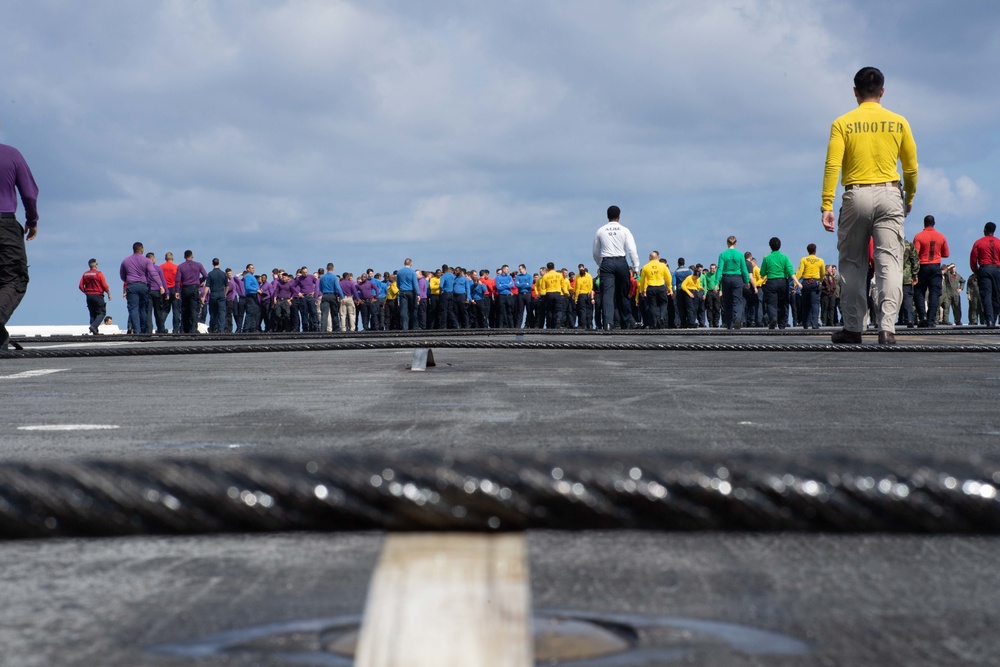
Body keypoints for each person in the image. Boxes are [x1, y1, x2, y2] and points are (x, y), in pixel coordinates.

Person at [822, 66, 918, 346]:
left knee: (852, 263)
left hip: (856, 193)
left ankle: (853, 328)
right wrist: (908, 197)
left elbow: (832, 164)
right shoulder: (898, 122)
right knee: (890, 262)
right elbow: (911, 168)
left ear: (855, 92)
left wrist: (827, 203)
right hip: (890, 193)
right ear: (883, 92)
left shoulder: (843, 123)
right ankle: (887, 328)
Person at [0, 142, 39, 350]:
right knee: (14, 279)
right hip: (4, 223)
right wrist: (32, 221)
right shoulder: (11, 154)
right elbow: (30, 194)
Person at [592, 205, 640, 331]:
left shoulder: (600, 230)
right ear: (619, 216)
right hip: (621, 261)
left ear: (607, 216)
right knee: (623, 293)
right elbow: (632, 250)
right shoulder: (624, 230)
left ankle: (608, 323)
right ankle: (628, 321)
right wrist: (635, 266)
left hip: (607, 262)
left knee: (607, 294)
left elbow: (595, 252)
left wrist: (601, 264)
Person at [913, 215, 949, 328]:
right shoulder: (941, 236)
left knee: (919, 291)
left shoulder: (919, 236)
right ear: (934, 223)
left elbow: (915, 255)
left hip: (922, 267)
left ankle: (922, 317)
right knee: (934, 294)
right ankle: (931, 320)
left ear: (924, 223)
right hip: (935, 267)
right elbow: (946, 254)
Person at [119, 242, 163, 334]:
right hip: (143, 285)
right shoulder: (147, 261)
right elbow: (153, 273)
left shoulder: (126, 261)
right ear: (142, 249)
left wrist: (128, 281)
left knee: (133, 308)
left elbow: (122, 276)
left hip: (132, 285)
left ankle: (137, 330)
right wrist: (160, 285)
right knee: (143, 308)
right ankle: (143, 330)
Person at [714, 236, 753, 329]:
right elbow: (744, 269)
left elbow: (719, 269)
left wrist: (716, 283)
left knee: (727, 302)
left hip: (726, 279)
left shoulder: (723, 255)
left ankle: (729, 324)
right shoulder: (740, 255)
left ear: (727, 243)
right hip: (737, 278)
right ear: (735, 243)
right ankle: (737, 318)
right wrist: (747, 281)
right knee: (738, 301)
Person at [759, 237, 799, 330]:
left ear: (770, 246)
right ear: (780, 246)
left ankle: (773, 317)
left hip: (771, 282)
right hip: (783, 282)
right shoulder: (785, 257)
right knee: (783, 303)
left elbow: (762, 273)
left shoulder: (767, 258)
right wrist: (797, 282)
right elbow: (790, 271)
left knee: (771, 303)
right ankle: (782, 324)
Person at [970, 221, 1000, 327]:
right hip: (997, 269)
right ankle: (994, 318)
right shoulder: (998, 242)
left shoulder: (978, 242)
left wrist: (976, 272)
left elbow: (973, 260)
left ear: (985, 230)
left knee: (986, 295)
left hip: (984, 269)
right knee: (996, 295)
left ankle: (989, 320)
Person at [175, 250, 209, 333]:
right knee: (194, 309)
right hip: (194, 288)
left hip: (185, 289)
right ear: (192, 256)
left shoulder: (180, 266)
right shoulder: (198, 265)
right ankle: (193, 329)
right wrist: (200, 280)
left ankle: (185, 329)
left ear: (184, 257)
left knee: (185, 309)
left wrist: (176, 291)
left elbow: (177, 280)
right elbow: (205, 275)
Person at [795, 244, 826, 329]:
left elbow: (799, 271)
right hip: (815, 282)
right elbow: (823, 273)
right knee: (815, 304)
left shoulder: (804, 260)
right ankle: (815, 323)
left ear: (807, 250)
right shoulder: (820, 261)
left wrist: (796, 283)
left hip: (806, 282)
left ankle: (805, 323)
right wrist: (820, 280)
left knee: (805, 304)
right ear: (815, 250)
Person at [638, 251, 671, 329]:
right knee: (663, 303)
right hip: (661, 287)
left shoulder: (646, 267)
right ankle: (662, 317)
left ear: (650, 258)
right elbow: (668, 277)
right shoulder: (663, 266)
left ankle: (656, 320)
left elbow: (642, 280)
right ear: (658, 257)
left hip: (651, 288)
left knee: (653, 305)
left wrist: (642, 290)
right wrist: (669, 287)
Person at [79, 258, 111, 335]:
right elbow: (104, 285)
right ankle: (93, 326)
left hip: (89, 296)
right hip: (98, 295)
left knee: (92, 313)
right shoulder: (99, 274)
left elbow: (80, 286)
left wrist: (86, 292)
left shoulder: (85, 274)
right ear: (95, 265)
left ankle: (95, 331)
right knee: (102, 312)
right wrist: (108, 293)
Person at [205, 258, 228, 333]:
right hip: (221, 293)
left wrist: (204, 296)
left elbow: (207, 286)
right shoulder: (223, 274)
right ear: (219, 263)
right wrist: (225, 293)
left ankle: (212, 327)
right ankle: (221, 329)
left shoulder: (210, 274)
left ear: (212, 263)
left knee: (213, 312)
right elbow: (227, 285)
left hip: (213, 293)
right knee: (222, 312)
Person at [396, 258, 419, 330]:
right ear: (411, 264)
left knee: (404, 310)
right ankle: (414, 326)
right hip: (411, 291)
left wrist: (401, 288)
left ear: (404, 263)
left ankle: (405, 326)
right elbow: (415, 284)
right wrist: (418, 293)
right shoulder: (412, 272)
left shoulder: (399, 272)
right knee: (413, 309)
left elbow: (398, 284)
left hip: (403, 291)